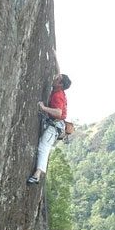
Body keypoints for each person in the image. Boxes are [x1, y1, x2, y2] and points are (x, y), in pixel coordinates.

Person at [28, 49, 71, 184]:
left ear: (61, 84)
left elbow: (58, 112)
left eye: (57, 79)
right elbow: (58, 70)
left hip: (56, 125)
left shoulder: (58, 95)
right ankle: (37, 173)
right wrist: (55, 55)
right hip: (56, 124)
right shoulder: (59, 88)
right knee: (43, 145)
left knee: (43, 146)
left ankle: (37, 174)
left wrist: (43, 108)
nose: (55, 78)